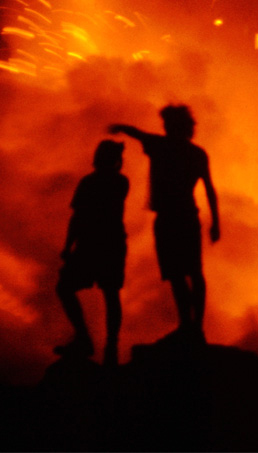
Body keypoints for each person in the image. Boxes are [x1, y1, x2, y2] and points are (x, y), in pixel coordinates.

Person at [108, 105, 220, 344]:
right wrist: (215, 222)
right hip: (188, 217)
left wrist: (120, 127)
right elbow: (209, 189)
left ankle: (189, 327)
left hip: (169, 218)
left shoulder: (160, 146)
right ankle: (193, 327)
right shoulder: (196, 153)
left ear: (174, 126)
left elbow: (136, 133)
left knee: (179, 274)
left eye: (168, 123)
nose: (165, 127)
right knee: (189, 272)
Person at [55, 140, 130, 366]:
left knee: (66, 288)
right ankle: (109, 347)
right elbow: (79, 216)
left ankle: (85, 339)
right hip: (111, 243)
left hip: (91, 244)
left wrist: (68, 246)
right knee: (110, 294)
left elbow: (77, 217)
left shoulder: (89, 183)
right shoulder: (120, 182)